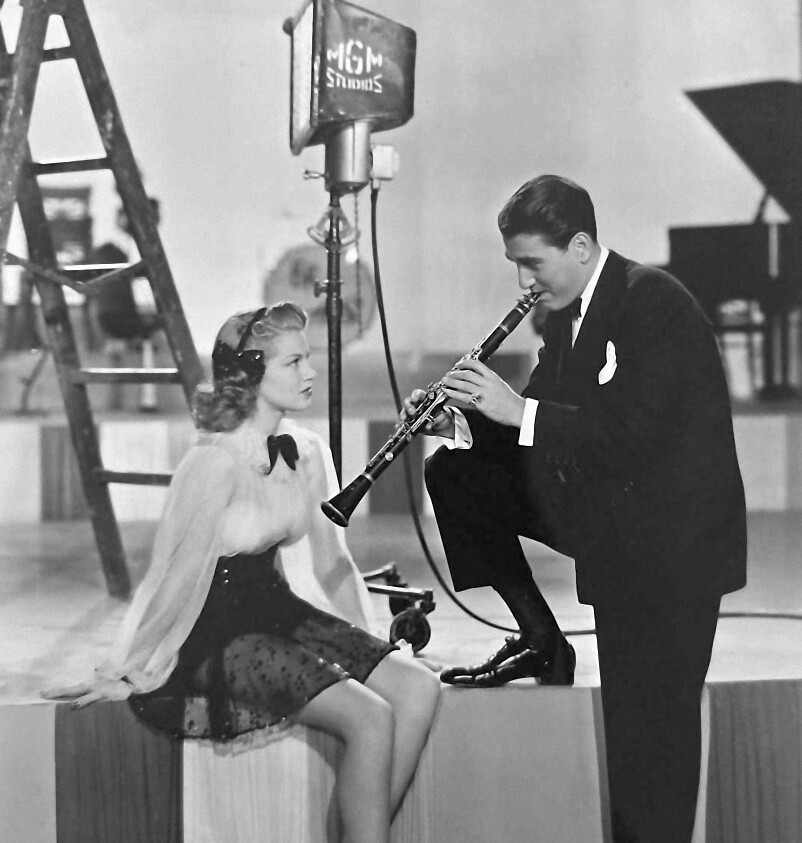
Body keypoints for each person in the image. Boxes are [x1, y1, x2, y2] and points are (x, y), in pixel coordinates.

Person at [404, 175, 746, 843]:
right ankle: (541, 638)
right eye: (516, 265)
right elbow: (536, 426)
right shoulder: (567, 313)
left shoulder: (654, 302)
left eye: (532, 263)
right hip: (617, 526)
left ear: (581, 246)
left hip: (674, 546)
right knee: (458, 470)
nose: (524, 281)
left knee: (655, 729)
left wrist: (516, 409)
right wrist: (460, 423)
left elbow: (634, 438)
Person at [45, 302, 440, 843]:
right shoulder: (213, 462)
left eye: (307, 358)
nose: (310, 372)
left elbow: (332, 564)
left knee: (417, 689)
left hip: (278, 612)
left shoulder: (307, 451)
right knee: (370, 718)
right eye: (293, 362)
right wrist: (127, 668)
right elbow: (172, 581)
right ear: (251, 373)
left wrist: (371, 648)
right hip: (218, 633)